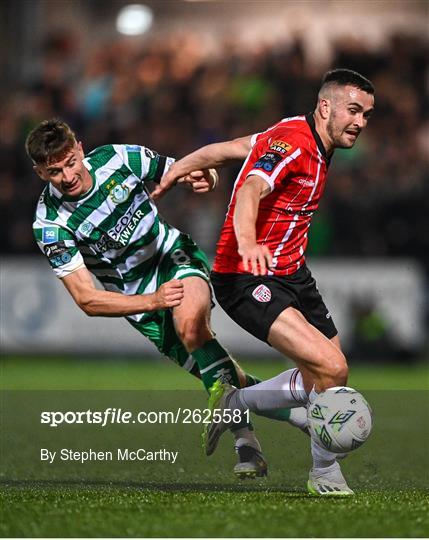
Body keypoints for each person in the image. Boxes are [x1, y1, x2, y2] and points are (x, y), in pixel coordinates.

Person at [25, 119, 305, 479]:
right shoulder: (50, 223)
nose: (67, 176)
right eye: (54, 172)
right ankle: (295, 419)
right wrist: (153, 301)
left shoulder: (118, 158)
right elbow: (87, 299)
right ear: (39, 172)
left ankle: (246, 442)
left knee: (191, 328)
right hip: (138, 298)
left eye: (70, 163)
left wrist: (208, 178)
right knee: (218, 373)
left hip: (172, 256)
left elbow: (180, 169)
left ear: (79, 148)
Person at [153, 68, 375, 495]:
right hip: (246, 275)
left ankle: (234, 402)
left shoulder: (302, 135)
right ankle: (324, 475)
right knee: (332, 367)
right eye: (353, 111)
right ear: (325, 106)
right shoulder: (294, 142)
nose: (360, 123)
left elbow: (230, 149)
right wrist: (248, 241)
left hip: (292, 272)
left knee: (327, 380)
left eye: (366, 115)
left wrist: (176, 171)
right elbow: (252, 188)